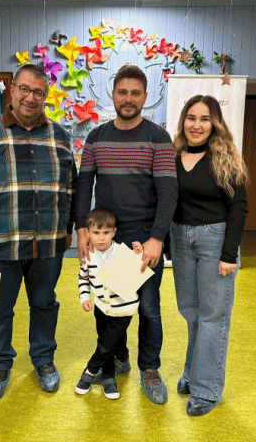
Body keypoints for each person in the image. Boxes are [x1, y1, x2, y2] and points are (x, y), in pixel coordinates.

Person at [0, 64, 77, 400]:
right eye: (24, 89)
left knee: (44, 303)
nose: (30, 97)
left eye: (38, 92)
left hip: (48, 242)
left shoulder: (60, 136)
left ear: (46, 96)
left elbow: (70, 187)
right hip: (0, 242)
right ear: (12, 89)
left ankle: (43, 360)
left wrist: (67, 230)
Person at [76, 64, 178, 404]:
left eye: (135, 93)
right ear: (113, 94)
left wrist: (157, 238)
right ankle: (118, 357)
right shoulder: (96, 137)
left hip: (143, 238)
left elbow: (168, 192)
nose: (128, 98)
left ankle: (150, 369)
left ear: (145, 97)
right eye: (123, 92)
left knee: (148, 308)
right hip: (107, 237)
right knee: (108, 306)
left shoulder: (158, 138)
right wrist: (82, 231)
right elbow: (83, 186)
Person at [169, 95, 248, 416]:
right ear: (183, 121)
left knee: (213, 316)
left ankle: (207, 389)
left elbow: (239, 207)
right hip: (180, 239)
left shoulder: (225, 158)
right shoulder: (173, 155)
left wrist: (229, 254)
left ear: (214, 123)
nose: (197, 125)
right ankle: (192, 373)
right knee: (190, 312)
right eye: (191, 117)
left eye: (204, 119)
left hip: (215, 241)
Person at [75, 208, 143, 400]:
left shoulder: (122, 251)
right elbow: (83, 278)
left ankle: (89, 371)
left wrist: (138, 256)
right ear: (87, 233)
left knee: (105, 346)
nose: (101, 238)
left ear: (114, 232)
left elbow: (136, 275)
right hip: (100, 308)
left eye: (106, 232)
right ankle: (108, 378)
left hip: (123, 310)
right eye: (96, 233)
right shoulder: (88, 256)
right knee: (106, 342)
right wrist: (84, 297)